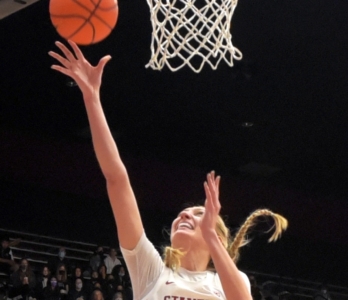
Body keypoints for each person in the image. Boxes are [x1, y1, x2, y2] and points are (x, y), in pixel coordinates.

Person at [49, 40, 288, 300]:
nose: (184, 214)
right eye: (182, 213)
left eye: (197, 213)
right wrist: (92, 98)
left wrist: (210, 236)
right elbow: (117, 179)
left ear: (217, 232)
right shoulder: (151, 270)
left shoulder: (228, 281)